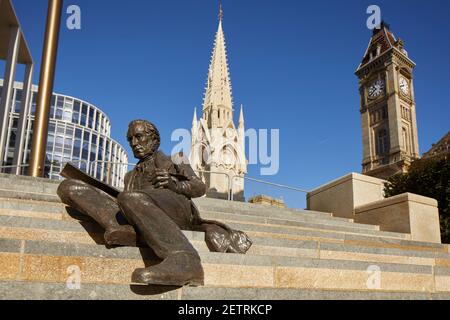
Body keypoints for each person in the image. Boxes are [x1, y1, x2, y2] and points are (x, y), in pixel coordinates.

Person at [57, 120, 252, 287]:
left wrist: (173, 183)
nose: (134, 143)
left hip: (175, 209)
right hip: (136, 209)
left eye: (139, 137)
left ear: (154, 140)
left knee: (129, 197)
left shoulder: (176, 159)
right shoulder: (129, 176)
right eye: (130, 139)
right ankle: (129, 231)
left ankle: (185, 259)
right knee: (69, 187)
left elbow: (199, 187)